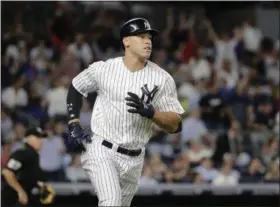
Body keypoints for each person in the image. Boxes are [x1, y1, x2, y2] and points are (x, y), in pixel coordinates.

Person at [66, 17, 184, 206]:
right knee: (111, 202)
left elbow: (176, 125)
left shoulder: (163, 79)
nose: (148, 41)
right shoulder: (104, 69)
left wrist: (153, 113)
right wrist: (73, 122)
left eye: (150, 37)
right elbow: (76, 86)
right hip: (102, 149)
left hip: (135, 159)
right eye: (141, 36)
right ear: (126, 41)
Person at [1, 127, 55, 207]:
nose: (41, 141)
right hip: (12, 200)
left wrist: (41, 186)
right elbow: (7, 173)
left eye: (41, 138)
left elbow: (28, 176)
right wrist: (20, 191)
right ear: (28, 139)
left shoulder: (33, 156)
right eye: (37, 137)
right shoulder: (22, 153)